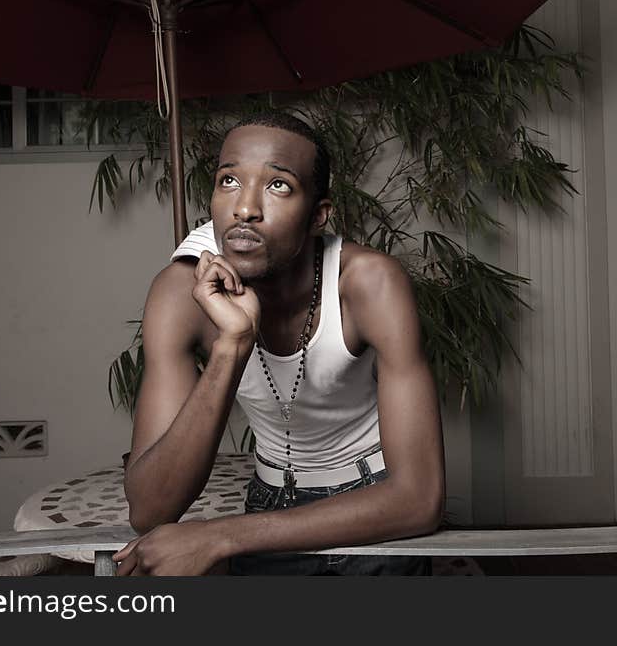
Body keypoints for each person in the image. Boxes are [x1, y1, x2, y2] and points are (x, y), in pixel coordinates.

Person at [113, 112, 445, 576]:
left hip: (374, 505)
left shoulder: (369, 283)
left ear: (319, 215)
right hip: (268, 500)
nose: (245, 208)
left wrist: (220, 536)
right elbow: (149, 510)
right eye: (229, 180)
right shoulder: (180, 292)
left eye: (278, 186)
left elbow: (419, 499)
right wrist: (232, 344)